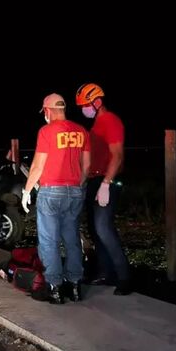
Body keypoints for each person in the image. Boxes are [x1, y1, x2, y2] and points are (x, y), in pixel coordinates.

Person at [22, 93, 90, 304]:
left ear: (48, 111)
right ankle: (75, 286)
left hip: (51, 192)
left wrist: (27, 190)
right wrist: (78, 184)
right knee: (71, 240)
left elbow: (37, 165)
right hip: (75, 191)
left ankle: (55, 288)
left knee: (49, 241)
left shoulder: (47, 131)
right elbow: (86, 165)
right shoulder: (81, 131)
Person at [75, 83, 132, 295]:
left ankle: (124, 277)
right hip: (94, 181)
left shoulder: (110, 121)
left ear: (97, 102)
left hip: (106, 181)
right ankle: (106, 273)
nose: (84, 109)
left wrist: (106, 184)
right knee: (95, 230)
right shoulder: (96, 124)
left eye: (85, 105)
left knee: (103, 228)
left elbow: (117, 155)